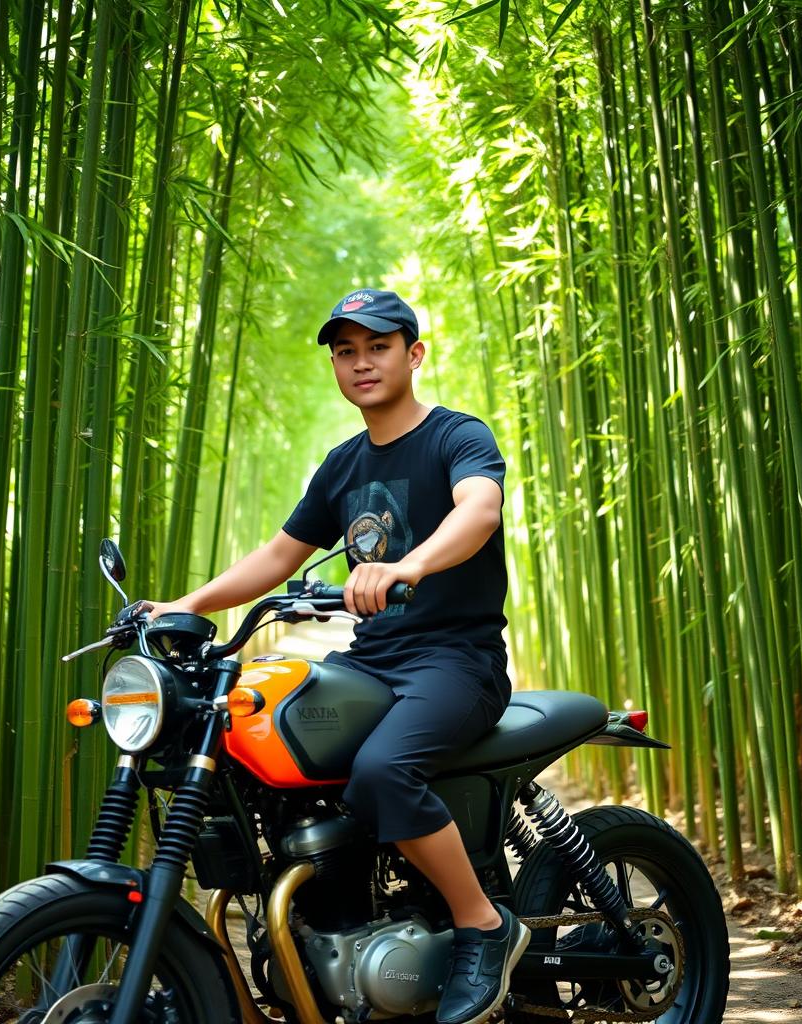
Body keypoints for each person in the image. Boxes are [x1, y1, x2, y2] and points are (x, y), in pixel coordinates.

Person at [142, 288, 529, 1024]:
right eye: (345, 351)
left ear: (413, 354)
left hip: (456, 662)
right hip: (372, 663)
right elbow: (280, 554)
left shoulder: (457, 436)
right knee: (249, 729)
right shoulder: (343, 464)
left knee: (383, 771)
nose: (361, 363)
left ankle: (482, 922)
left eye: (378, 347)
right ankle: (329, 923)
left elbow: (479, 510)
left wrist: (405, 567)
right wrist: (184, 607)